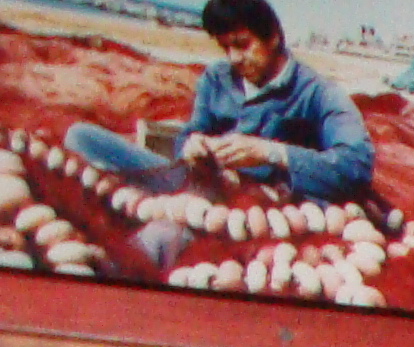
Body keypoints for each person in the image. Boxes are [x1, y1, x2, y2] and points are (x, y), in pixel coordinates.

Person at [70, 0, 374, 270]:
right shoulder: (217, 78)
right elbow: (191, 132)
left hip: (250, 206)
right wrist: (191, 144)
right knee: (80, 137)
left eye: (242, 44)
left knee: (161, 235)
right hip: (197, 179)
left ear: (273, 37)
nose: (234, 58)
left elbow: (356, 165)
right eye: (225, 47)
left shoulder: (319, 93)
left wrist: (270, 153)